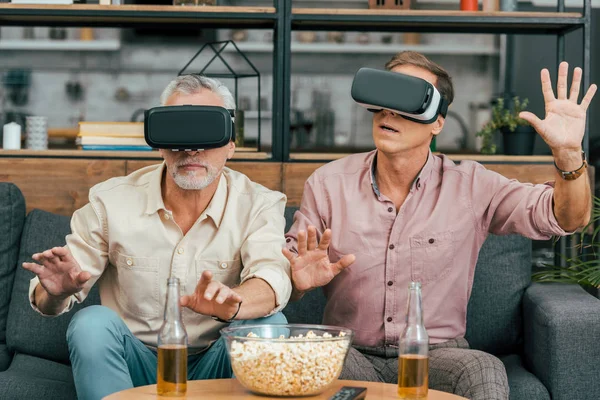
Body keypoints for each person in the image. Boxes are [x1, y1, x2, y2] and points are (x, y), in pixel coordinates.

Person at [282, 51, 596, 400]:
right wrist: (294, 281)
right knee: (317, 356)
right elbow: (289, 273)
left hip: (440, 356)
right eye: (384, 97)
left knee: (483, 368)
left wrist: (568, 154)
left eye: (407, 99)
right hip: (351, 352)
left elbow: (566, 217)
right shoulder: (328, 184)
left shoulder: (472, 185)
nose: (389, 111)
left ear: (438, 122)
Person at [22, 75, 292, 400]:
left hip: (217, 363)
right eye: (178, 130)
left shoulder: (258, 204)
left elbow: (271, 278)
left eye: (207, 130)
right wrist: (55, 292)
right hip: (137, 363)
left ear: (231, 143)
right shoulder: (112, 201)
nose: (192, 147)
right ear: (159, 141)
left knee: (271, 325)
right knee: (91, 322)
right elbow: (55, 292)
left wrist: (232, 303)